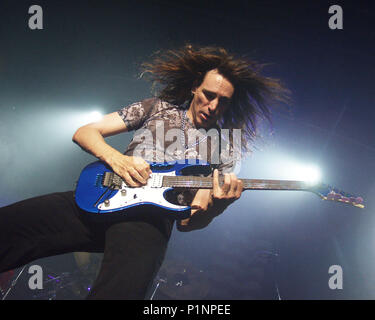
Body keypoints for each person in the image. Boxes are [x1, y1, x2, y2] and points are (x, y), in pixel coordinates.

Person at [0, 45, 288, 299]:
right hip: (100, 194)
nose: (213, 105)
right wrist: (117, 159)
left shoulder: (226, 149)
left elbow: (188, 223)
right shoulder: (157, 108)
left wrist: (217, 209)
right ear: (194, 89)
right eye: (208, 95)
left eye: (222, 100)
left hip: (148, 222)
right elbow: (85, 132)